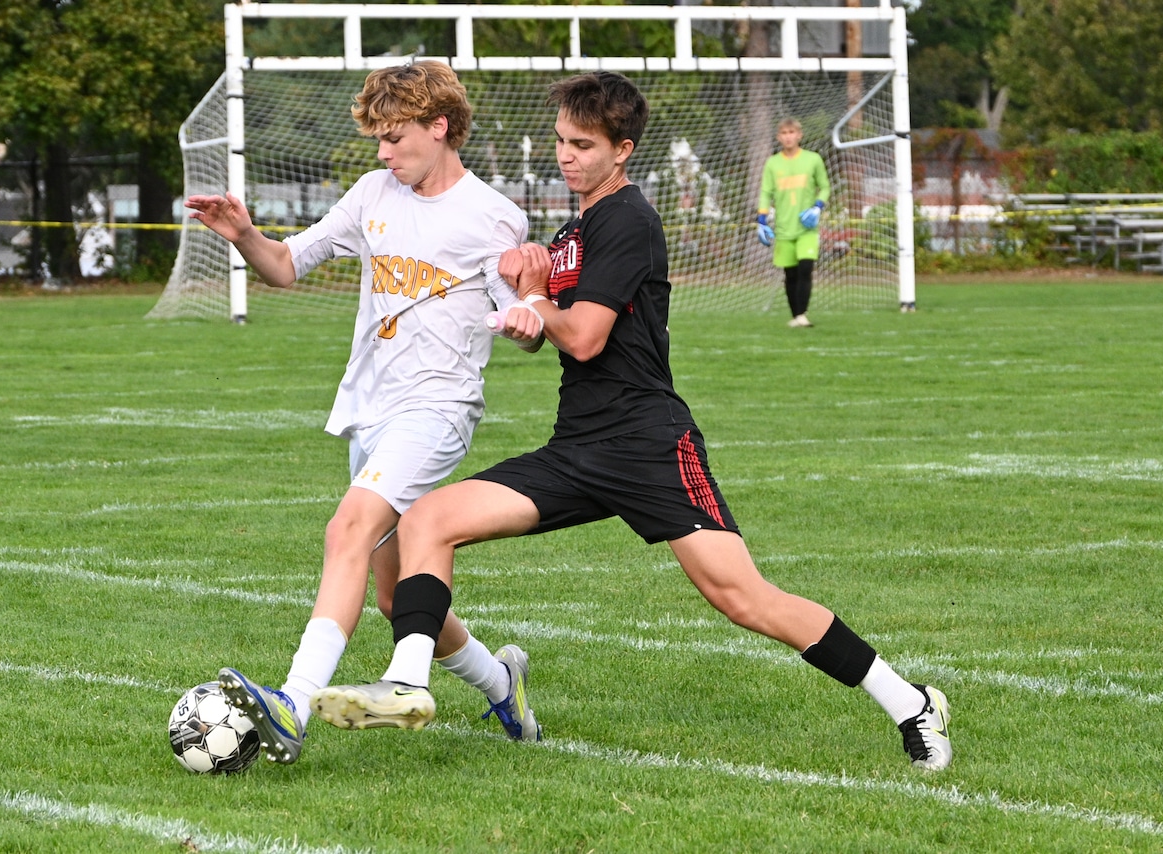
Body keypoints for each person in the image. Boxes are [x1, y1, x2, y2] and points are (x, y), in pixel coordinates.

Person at [309, 72, 952, 771]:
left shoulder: (629, 221)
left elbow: (581, 335)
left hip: (649, 445)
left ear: (623, 150)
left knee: (743, 598)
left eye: (583, 145)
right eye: (560, 141)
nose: (566, 156)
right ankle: (407, 684)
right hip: (577, 446)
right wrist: (529, 279)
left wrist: (532, 290)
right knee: (429, 519)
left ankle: (910, 702)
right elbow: (535, 321)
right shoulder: (576, 227)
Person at [183, 61, 547, 765]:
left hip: (439, 409)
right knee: (393, 597)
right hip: (371, 412)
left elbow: (521, 309)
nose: (382, 152)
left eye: (394, 137)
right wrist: (244, 235)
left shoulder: (493, 214)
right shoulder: (372, 192)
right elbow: (288, 266)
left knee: (345, 525)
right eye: (377, 139)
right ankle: (505, 685)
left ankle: (291, 702)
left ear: (440, 127)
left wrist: (527, 319)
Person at [756, 117, 831, 329]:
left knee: (806, 267)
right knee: (790, 274)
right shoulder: (773, 163)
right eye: (784, 133)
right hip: (783, 228)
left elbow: (825, 187)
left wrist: (817, 206)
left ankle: (802, 315)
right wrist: (761, 219)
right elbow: (765, 193)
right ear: (779, 137)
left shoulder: (813, 160)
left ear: (799, 135)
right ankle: (796, 314)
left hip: (807, 228)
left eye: (792, 132)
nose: (788, 137)